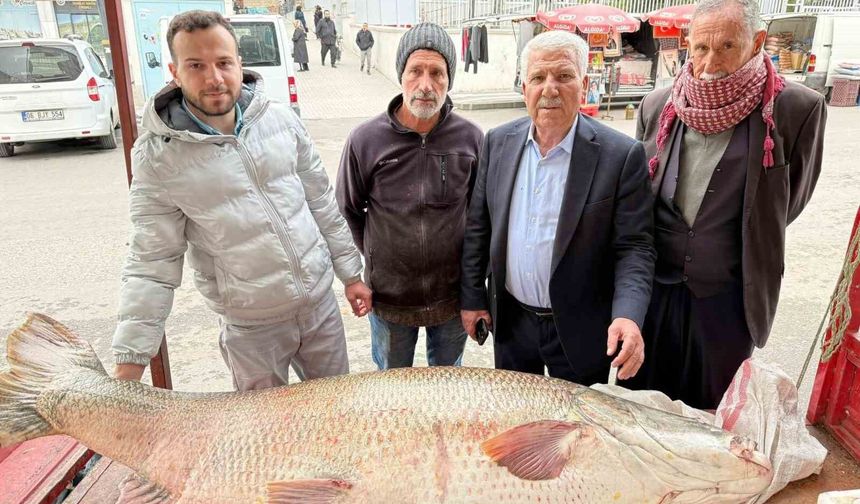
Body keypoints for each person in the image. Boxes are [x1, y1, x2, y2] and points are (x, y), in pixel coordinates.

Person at [111, 11, 371, 391]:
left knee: (337, 421)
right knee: (267, 439)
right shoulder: (159, 157)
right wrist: (130, 363)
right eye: (196, 65)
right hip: (252, 330)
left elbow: (321, 204)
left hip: (320, 311)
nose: (214, 78)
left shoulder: (281, 121)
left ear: (239, 63)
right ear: (175, 71)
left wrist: (351, 275)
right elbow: (151, 261)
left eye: (223, 63)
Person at [628, 0, 826, 409]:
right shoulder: (657, 106)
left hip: (728, 301)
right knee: (644, 409)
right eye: (700, 48)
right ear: (687, 45)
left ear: (757, 43)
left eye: (726, 47)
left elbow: (788, 202)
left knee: (714, 415)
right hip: (654, 296)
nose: (710, 62)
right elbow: (639, 192)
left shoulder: (796, 110)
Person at [460, 30, 656, 386]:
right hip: (513, 323)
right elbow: (479, 225)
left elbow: (635, 247)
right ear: (524, 89)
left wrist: (628, 315)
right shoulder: (498, 142)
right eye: (538, 77)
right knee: (516, 420)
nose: (549, 88)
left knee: (573, 433)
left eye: (563, 76)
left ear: (583, 84)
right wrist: (473, 297)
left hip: (580, 327)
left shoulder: (620, 155)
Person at [337, 23, 483, 370]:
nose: (426, 84)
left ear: (450, 80)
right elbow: (348, 210)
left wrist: (475, 288)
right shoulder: (365, 140)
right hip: (390, 299)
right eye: (415, 71)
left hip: (451, 297)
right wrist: (375, 257)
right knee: (391, 388)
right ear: (401, 74)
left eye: (437, 73)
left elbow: (481, 217)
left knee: (447, 384)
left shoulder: (472, 140)